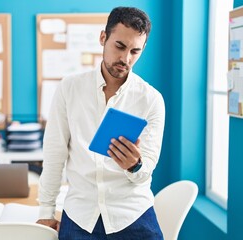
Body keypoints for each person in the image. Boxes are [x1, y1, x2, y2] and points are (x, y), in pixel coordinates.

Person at [37, 6, 165, 240]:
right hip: (80, 216)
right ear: (103, 38)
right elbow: (55, 153)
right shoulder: (69, 88)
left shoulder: (151, 100)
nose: (125, 59)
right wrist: (46, 210)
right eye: (120, 46)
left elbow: (146, 169)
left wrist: (134, 165)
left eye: (135, 51)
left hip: (132, 214)